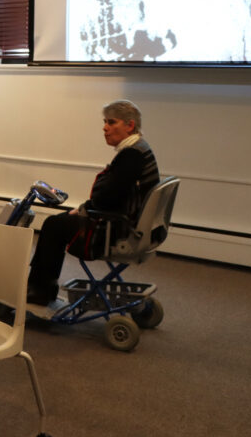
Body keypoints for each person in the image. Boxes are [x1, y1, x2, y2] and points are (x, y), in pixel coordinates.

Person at [26, 100, 160, 305]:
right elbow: (115, 194)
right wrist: (85, 208)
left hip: (117, 228)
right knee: (60, 221)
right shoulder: (141, 148)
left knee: (53, 225)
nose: (105, 128)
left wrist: (84, 209)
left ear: (129, 125)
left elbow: (109, 198)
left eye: (111, 122)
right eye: (105, 122)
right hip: (131, 222)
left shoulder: (131, 155)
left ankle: (40, 290)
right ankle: (42, 286)